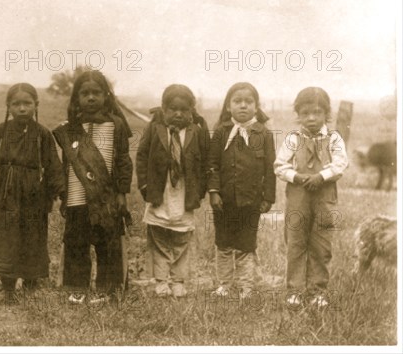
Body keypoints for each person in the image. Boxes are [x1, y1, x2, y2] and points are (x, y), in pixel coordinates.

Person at [52, 70, 133, 305]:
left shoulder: (116, 125)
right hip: (78, 197)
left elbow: (123, 162)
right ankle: (77, 289)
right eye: (84, 93)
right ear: (76, 98)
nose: (90, 98)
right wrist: (65, 195)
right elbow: (68, 165)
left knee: (108, 243)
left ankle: (108, 290)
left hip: (107, 198)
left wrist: (122, 194)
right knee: (77, 243)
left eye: (96, 93)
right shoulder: (69, 130)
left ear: (106, 96)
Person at [0, 83, 65, 295]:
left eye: (27, 103)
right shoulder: (0, 132)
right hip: (5, 195)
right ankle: (7, 285)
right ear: (8, 106)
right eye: (16, 104)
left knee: (32, 237)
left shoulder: (42, 134)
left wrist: (60, 193)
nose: (21, 108)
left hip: (32, 196)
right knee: (5, 237)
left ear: (36, 105)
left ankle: (30, 284)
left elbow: (53, 165)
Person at [274, 87, 348, 308]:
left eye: (317, 112)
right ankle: (294, 290)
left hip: (324, 196)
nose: (312, 118)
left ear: (327, 113)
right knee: (296, 242)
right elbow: (279, 165)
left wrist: (321, 176)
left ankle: (318, 291)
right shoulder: (293, 139)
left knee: (321, 243)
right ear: (298, 114)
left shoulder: (334, 138)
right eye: (305, 113)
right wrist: (296, 177)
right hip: (298, 195)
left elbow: (340, 164)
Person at [136, 84, 210, 298]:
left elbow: (205, 162)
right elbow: (141, 156)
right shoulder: (155, 129)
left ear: (191, 111)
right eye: (172, 109)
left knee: (181, 238)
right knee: (158, 237)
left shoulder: (197, 131)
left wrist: (201, 189)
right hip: (161, 190)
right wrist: (144, 185)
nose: (178, 114)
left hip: (185, 192)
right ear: (163, 109)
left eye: (184, 110)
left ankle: (178, 280)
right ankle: (161, 281)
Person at [208, 82, 276, 300]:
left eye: (249, 102)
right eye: (237, 101)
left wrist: (268, 197)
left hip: (251, 201)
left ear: (256, 106)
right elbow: (212, 165)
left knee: (246, 244)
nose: (243, 106)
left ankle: (246, 287)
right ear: (228, 106)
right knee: (224, 243)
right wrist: (214, 191)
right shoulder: (220, 132)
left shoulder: (263, 134)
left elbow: (270, 168)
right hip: (224, 201)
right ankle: (225, 285)